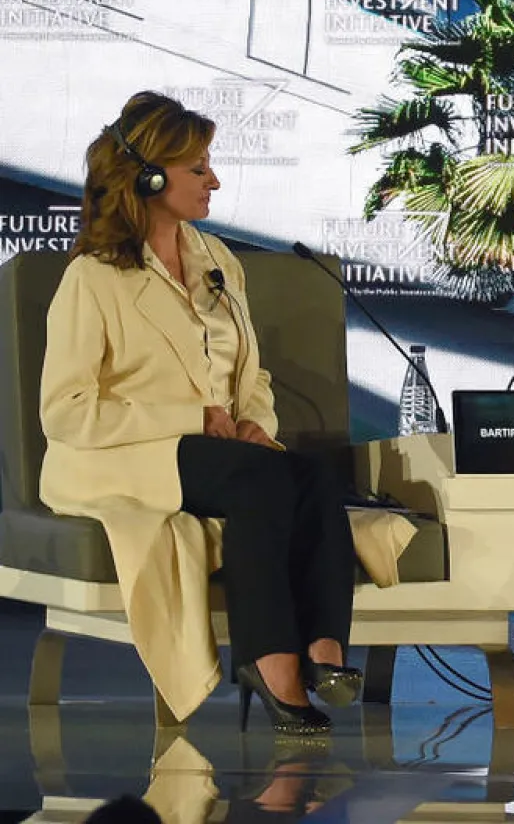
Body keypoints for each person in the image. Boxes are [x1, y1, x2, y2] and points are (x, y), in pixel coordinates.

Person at [39, 92, 377, 735]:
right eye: (198, 168)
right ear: (150, 177)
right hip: (121, 456)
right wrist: (192, 418)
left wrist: (254, 423)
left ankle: (325, 653)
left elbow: (252, 374)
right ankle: (269, 661)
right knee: (261, 479)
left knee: (310, 476)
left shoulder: (217, 261)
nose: (213, 180)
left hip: (216, 449)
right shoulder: (93, 278)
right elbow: (66, 412)